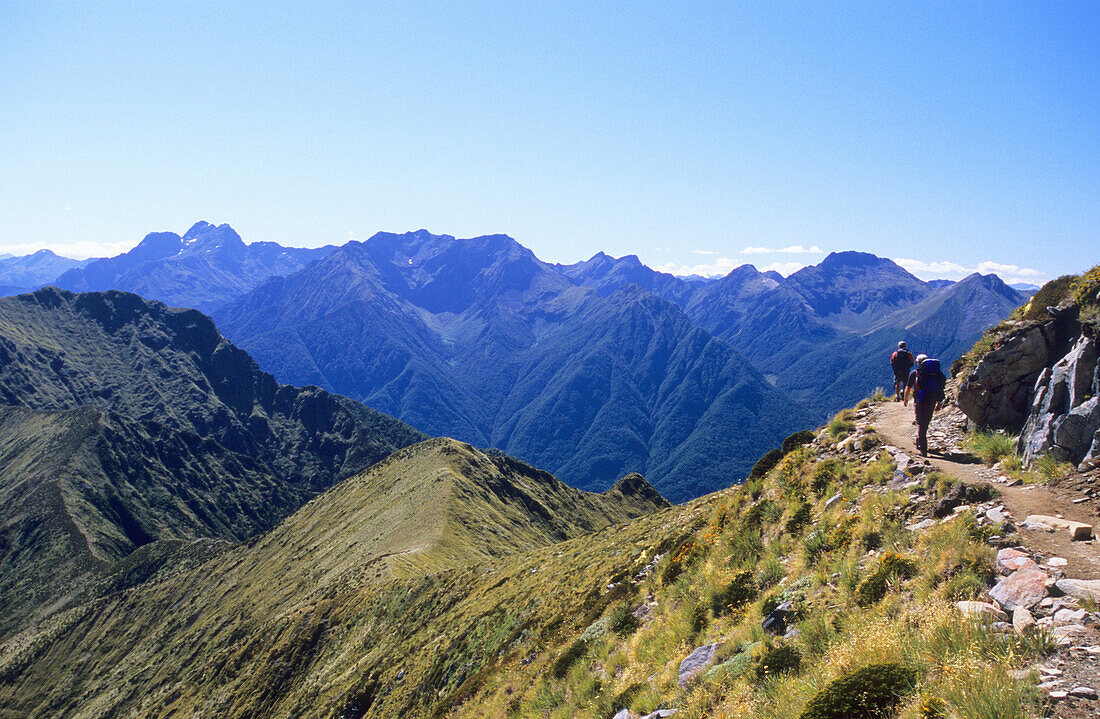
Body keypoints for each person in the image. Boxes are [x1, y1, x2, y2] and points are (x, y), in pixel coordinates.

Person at [903, 354, 947, 456]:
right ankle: (919, 442)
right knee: (925, 423)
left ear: (918, 363)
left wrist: (905, 399)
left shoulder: (915, 373)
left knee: (919, 423)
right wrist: (939, 402)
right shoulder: (937, 374)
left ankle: (923, 449)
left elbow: (908, 387)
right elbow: (939, 389)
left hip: (919, 401)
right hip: (932, 401)